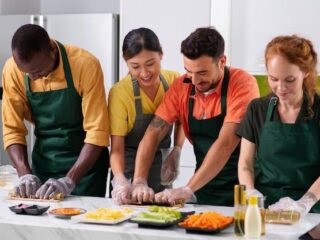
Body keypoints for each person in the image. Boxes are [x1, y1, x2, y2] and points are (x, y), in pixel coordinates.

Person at [129, 27, 260, 205]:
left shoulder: (242, 83)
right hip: (204, 187)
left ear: (222, 61)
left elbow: (226, 144)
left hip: (244, 188)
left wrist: (187, 189)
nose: (195, 81)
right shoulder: (182, 85)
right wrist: (139, 180)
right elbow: (154, 131)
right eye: (189, 71)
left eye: (203, 73)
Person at [2, 24, 110, 199]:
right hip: (44, 166)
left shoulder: (85, 64)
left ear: (51, 49)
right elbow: (12, 130)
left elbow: (97, 132)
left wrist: (69, 180)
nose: (33, 78)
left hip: (86, 170)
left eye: (38, 72)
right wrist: (25, 174)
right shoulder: (12, 70)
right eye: (27, 74)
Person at [237, 35, 320, 215]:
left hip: (313, 210)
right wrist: (251, 194)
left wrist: (305, 203)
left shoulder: (318, 109)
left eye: (290, 80)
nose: (281, 88)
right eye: (273, 79)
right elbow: (245, 163)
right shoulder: (257, 109)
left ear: (305, 72)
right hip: (266, 208)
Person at [108, 27, 184, 204]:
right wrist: (120, 180)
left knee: (162, 217)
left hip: (161, 167)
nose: (144, 73)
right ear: (126, 63)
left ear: (161, 54)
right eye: (135, 66)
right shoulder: (120, 92)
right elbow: (116, 149)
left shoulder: (173, 80)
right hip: (128, 167)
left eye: (150, 64)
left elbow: (182, 121)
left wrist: (177, 150)